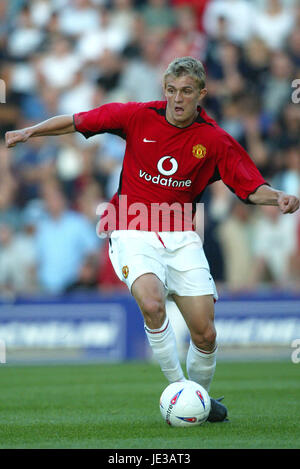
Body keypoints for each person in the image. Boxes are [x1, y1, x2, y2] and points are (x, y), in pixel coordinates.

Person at [5, 57, 299, 422]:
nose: (177, 99)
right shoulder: (137, 116)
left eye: (187, 92)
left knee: (205, 334)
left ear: (201, 94)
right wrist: (29, 132)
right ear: (165, 90)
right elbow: (78, 120)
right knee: (152, 302)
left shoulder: (215, 139)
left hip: (182, 236)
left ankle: (199, 401)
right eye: (172, 90)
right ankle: (179, 389)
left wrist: (280, 196)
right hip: (131, 228)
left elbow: (251, 186)